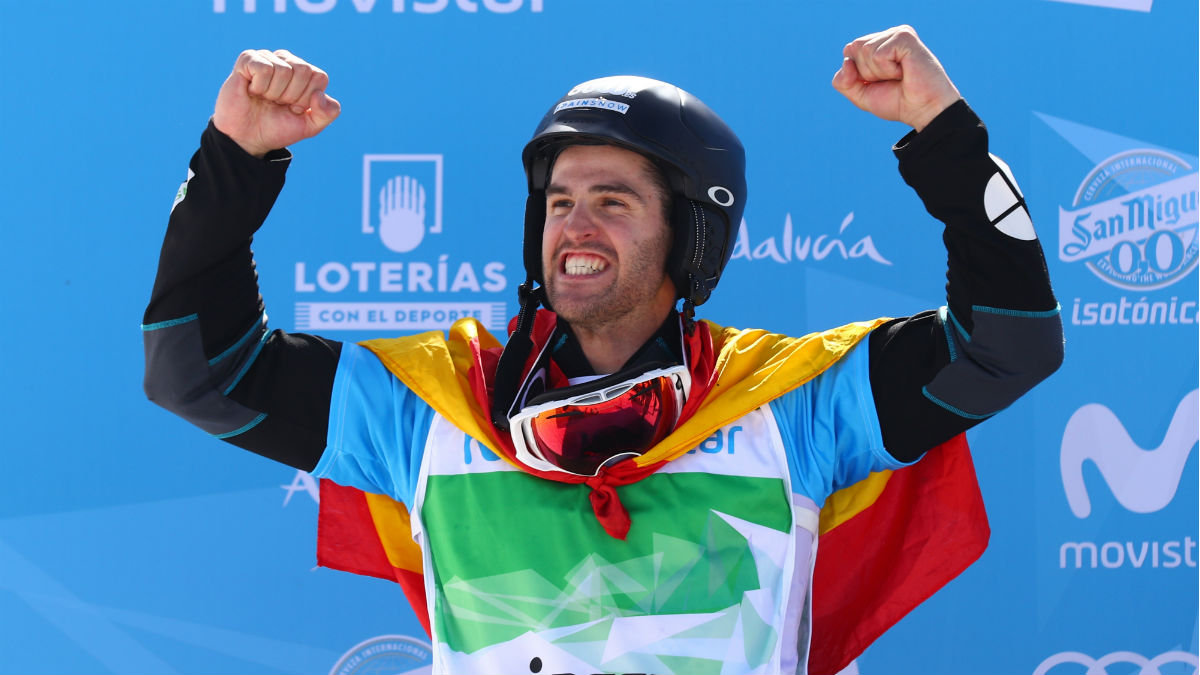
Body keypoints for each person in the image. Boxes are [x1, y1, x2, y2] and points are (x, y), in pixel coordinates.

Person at [143, 25, 1063, 675]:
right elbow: (200, 369)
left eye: (613, 199)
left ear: (691, 237)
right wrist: (237, 156)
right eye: (557, 199)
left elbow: (1007, 342)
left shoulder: (794, 405)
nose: (573, 222)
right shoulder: (425, 402)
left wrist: (945, 135)